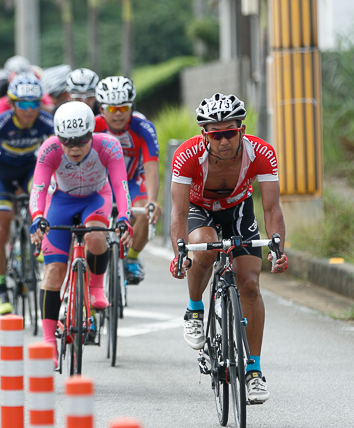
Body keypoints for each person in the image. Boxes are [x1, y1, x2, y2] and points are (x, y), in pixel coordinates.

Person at [169, 93, 289, 404]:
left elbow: (273, 208)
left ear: (242, 130)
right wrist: (180, 252)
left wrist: (278, 247)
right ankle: (195, 310)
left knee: (249, 284)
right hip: (200, 209)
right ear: (204, 135)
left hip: (238, 210)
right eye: (216, 134)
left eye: (230, 133)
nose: (224, 141)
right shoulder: (186, 156)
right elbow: (179, 213)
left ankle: (254, 371)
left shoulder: (261, 152)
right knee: (203, 250)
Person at [29, 101, 133, 366]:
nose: (74, 148)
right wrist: (38, 218)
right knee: (53, 272)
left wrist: (123, 218)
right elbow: (38, 188)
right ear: (58, 137)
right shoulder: (50, 148)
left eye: (80, 141)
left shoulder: (108, 145)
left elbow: (121, 187)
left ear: (91, 134)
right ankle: (49, 342)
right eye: (67, 142)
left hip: (96, 198)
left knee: (97, 236)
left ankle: (96, 286)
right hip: (61, 202)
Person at [0, 71, 54, 315]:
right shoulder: (1, 123)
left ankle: (39, 247)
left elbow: (58, 156)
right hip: (2, 175)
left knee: (41, 205)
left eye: (35, 103)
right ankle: (1, 291)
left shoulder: (46, 122)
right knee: (0, 227)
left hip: (30, 172)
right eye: (23, 103)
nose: (30, 109)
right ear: (12, 103)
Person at [94, 76, 161, 284]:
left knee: (143, 212)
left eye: (123, 108)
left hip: (132, 181)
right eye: (111, 109)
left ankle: (131, 259)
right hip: (101, 183)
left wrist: (152, 199)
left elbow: (151, 167)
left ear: (131, 107)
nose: (118, 114)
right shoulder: (93, 126)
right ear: (101, 109)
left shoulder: (143, 128)